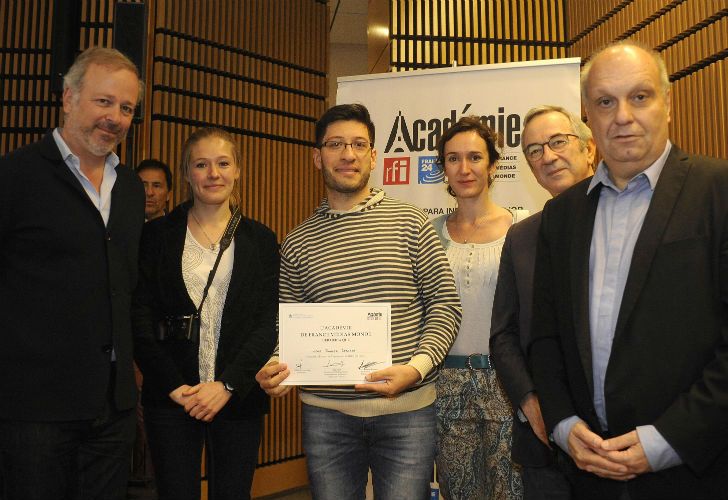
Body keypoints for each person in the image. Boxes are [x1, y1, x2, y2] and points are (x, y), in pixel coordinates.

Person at [529, 40, 728, 499]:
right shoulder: (561, 217)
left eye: (639, 96)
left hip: (696, 472)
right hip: (588, 473)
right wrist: (562, 423)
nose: (622, 115)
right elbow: (545, 335)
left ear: (667, 103)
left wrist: (669, 440)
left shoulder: (718, 191)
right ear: (588, 117)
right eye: (605, 101)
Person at [255, 103, 462, 499]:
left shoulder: (410, 222)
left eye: (358, 144)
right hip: (326, 416)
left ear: (373, 156)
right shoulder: (298, 242)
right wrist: (275, 365)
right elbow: (287, 325)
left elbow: (444, 305)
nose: (347, 154)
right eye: (335, 144)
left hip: (408, 412)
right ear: (317, 157)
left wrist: (416, 369)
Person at [0, 47, 145, 499]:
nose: (115, 118)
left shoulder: (131, 188)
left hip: (113, 407)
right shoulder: (14, 176)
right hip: (34, 408)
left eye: (126, 108)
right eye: (104, 102)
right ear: (67, 98)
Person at [132, 127, 279, 500]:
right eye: (201, 164)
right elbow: (139, 320)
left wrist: (227, 384)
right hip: (172, 396)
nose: (213, 174)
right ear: (186, 173)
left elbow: (267, 323)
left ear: (238, 170)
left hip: (238, 395)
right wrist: (175, 388)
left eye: (223, 163)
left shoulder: (261, 240)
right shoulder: (156, 236)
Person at [490, 105, 596, 500]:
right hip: (543, 441)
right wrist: (529, 400)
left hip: (620, 439)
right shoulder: (521, 237)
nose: (547, 156)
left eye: (557, 142)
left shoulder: (628, 222)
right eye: (534, 150)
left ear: (589, 150)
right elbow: (504, 333)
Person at [430, 116, 527, 499]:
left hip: (506, 384)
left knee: (512, 491)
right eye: (453, 158)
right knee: (459, 492)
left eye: (474, 156)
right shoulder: (428, 234)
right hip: (445, 386)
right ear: (444, 168)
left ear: (493, 164)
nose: (464, 168)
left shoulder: (522, 227)